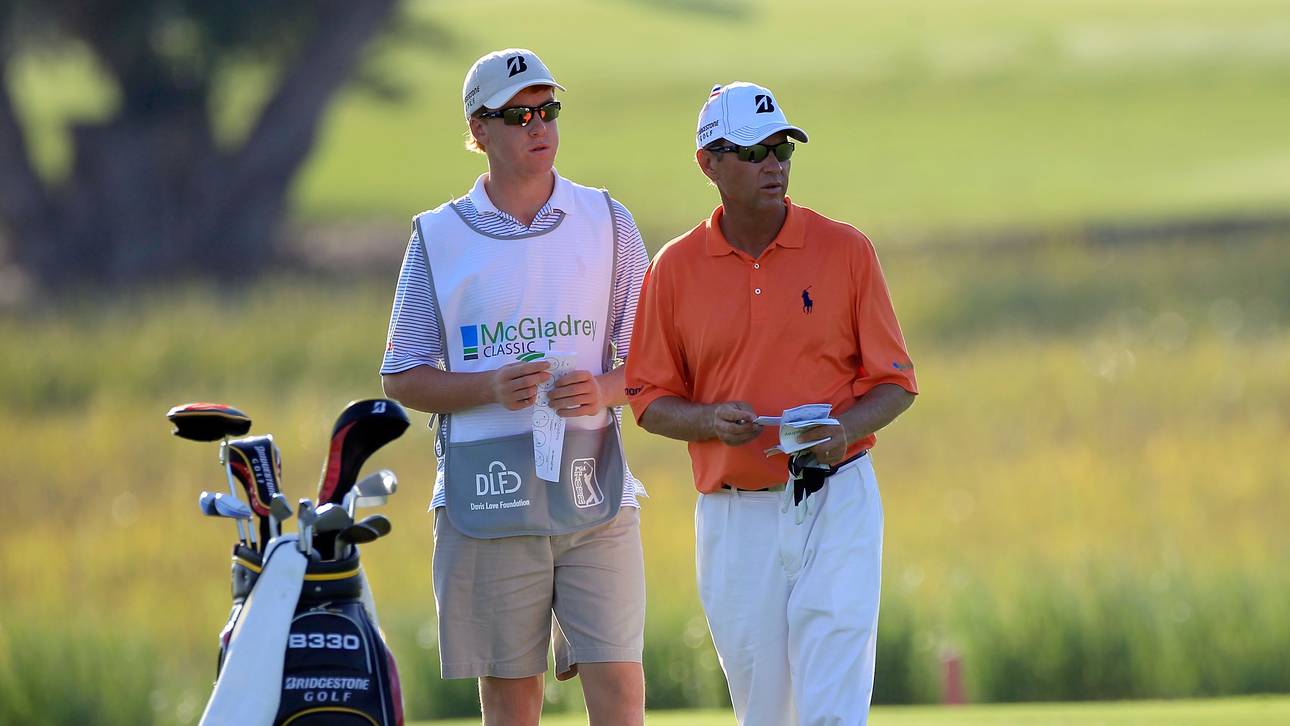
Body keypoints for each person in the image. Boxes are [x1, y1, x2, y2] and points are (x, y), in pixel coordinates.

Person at [625, 81, 918, 726]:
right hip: (735, 515)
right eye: (755, 151)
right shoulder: (673, 270)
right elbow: (646, 398)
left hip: (834, 496)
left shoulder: (846, 251)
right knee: (764, 711)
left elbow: (895, 381)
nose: (774, 163)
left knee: (833, 705)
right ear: (710, 163)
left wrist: (842, 432)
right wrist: (706, 421)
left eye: (782, 147)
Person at [380, 48, 648, 726]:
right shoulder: (438, 236)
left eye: (549, 110)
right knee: (510, 697)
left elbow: (654, 359)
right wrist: (489, 388)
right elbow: (402, 374)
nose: (540, 126)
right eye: (520, 114)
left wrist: (605, 390)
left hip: (596, 492)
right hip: (486, 495)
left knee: (619, 684)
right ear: (480, 130)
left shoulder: (609, 219)